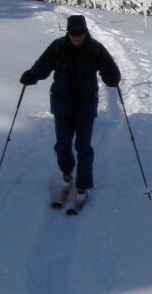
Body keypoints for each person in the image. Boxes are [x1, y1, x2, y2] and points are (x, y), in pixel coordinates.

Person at [20, 14, 121, 203]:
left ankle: (83, 184)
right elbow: (43, 66)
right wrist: (31, 75)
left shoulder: (95, 49)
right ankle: (67, 172)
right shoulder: (58, 47)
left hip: (86, 104)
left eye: (80, 35)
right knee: (62, 145)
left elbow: (110, 69)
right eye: (74, 35)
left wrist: (112, 77)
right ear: (68, 33)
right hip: (62, 104)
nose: (77, 38)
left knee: (83, 146)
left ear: (85, 32)